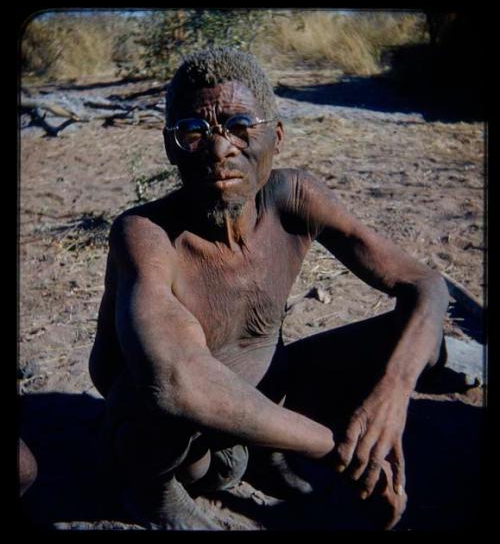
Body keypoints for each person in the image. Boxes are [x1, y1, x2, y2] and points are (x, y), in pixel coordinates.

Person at [89, 47, 449, 530]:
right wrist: (335, 449)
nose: (220, 152)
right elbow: (177, 382)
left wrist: (392, 396)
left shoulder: (293, 198)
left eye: (241, 127)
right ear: (171, 147)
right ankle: (153, 494)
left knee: (412, 341)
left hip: (267, 401)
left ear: (275, 137)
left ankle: (265, 455)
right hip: (187, 444)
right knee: (151, 387)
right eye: (194, 132)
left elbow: (426, 286)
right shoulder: (145, 233)